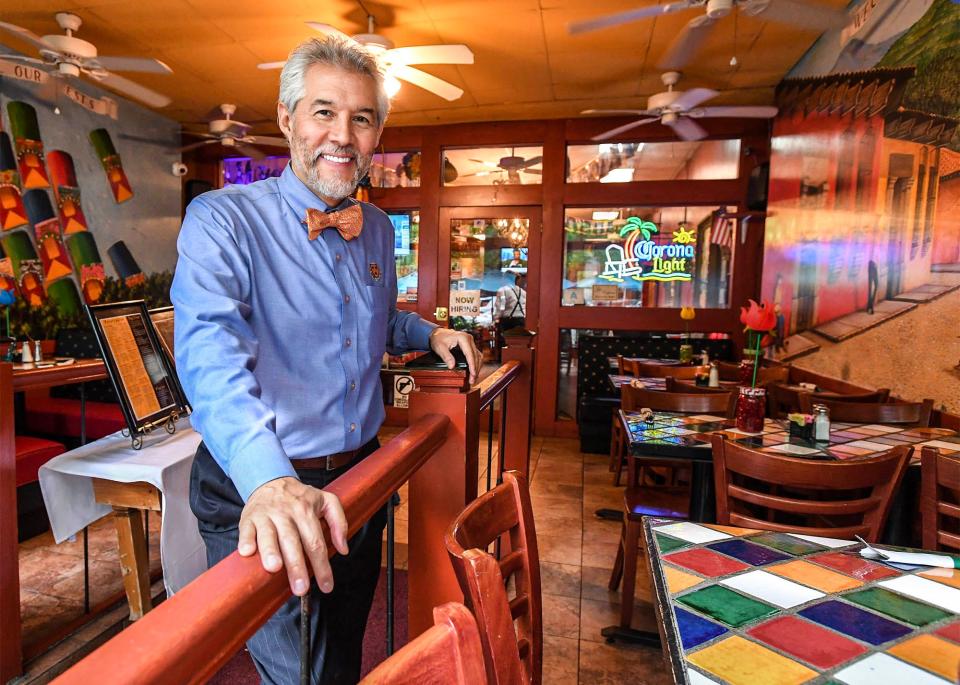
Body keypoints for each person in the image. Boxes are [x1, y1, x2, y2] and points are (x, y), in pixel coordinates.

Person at [171, 36, 481, 685]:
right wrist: (266, 476)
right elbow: (208, 352)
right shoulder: (221, 220)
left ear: (377, 134)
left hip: (358, 485)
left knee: (340, 650)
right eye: (323, 112)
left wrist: (426, 332)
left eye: (362, 118)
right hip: (256, 488)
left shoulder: (376, 228)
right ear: (287, 118)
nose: (342, 135)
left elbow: (374, 318)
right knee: (299, 673)